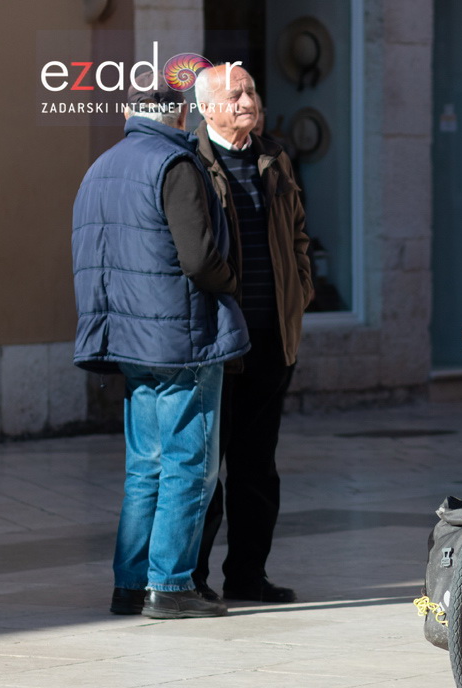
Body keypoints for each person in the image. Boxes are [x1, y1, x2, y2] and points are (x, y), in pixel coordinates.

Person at [72, 77, 249, 619]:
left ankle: (130, 584)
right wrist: (231, 281)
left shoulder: (100, 165)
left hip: (127, 338)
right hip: (180, 336)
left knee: (144, 464)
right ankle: (169, 585)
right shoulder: (175, 165)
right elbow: (198, 258)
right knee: (188, 463)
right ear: (178, 117)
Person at [191, 64, 315, 604]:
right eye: (234, 94)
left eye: (251, 91)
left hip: (271, 337)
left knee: (256, 468)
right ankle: (189, 578)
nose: (248, 101)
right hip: (215, 341)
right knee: (202, 469)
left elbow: (299, 234)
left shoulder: (275, 157)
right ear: (207, 108)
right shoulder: (191, 162)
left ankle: (246, 575)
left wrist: (301, 290)